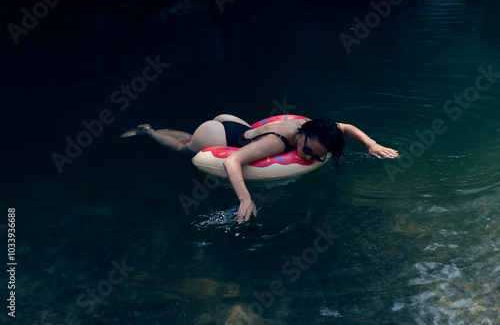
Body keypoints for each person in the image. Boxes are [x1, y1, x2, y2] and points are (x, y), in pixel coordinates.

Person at [121, 114, 399, 223]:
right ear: (301, 135)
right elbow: (232, 161)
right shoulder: (278, 144)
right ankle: (148, 129)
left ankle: (156, 129)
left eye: (316, 155)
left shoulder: (317, 131)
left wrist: (371, 143)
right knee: (182, 148)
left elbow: (345, 127)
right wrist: (245, 198)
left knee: (184, 140)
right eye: (308, 150)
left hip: (237, 126)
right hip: (218, 135)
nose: (308, 156)